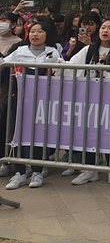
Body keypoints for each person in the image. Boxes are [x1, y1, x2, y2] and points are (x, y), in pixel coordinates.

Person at [67, 18, 110, 185]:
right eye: (103, 27)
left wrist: (107, 71)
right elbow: (72, 66)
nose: (105, 31)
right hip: (89, 98)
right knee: (88, 133)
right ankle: (89, 169)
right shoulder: (89, 50)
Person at [3, 17, 62, 190]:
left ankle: (36, 171)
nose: (35, 34)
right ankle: (19, 173)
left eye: (40, 31)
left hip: (42, 102)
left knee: (37, 136)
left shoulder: (53, 52)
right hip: (19, 99)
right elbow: (4, 63)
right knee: (17, 135)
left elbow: (61, 70)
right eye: (33, 31)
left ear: (47, 34)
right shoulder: (20, 50)